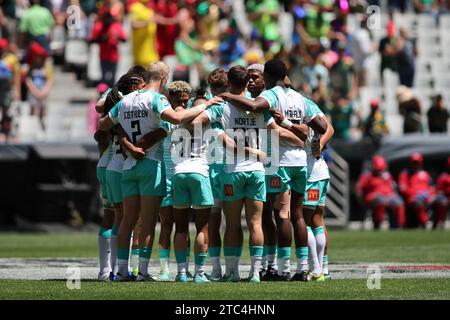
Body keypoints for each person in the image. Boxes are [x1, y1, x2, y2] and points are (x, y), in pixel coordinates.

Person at [100, 61, 222, 281]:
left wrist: (127, 142)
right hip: (151, 163)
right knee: (147, 223)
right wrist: (205, 105)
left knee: (127, 220)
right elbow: (176, 118)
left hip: (128, 166)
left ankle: (119, 272)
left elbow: (103, 124)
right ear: (164, 78)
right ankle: (143, 272)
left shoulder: (126, 100)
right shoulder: (157, 99)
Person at [191, 65, 305, 283]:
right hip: (256, 170)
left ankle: (232, 272)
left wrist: (217, 130)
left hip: (232, 170)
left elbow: (196, 122)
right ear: (246, 84)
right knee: (255, 223)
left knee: (232, 224)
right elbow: (276, 130)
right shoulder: (260, 108)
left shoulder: (222, 106)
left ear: (229, 83)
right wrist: (300, 140)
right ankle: (254, 273)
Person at [219, 59, 327, 282]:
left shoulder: (271, 95)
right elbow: (321, 127)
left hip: (280, 162)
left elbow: (253, 106)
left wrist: (226, 95)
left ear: (267, 75)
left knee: (281, 215)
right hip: (300, 163)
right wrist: (305, 135)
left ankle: (283, 268)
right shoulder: (300, 98)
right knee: (298, 215)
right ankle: (303, 268)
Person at [157, 81, 192, 282]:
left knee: (183, 225)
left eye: (186, 100)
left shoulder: (192, 116)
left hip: (184, 175)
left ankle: (183, 268)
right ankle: (163, 269)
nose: (183, 104)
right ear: (170, 98)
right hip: (166, 177)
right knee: (166, 224)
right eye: (179, 100)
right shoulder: (165, 120)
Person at [246, 63, 277, 281]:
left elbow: (276, 129)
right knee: (262, 216)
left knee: (273, 215)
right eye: (247, 77)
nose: (250, 81)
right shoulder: (247, 100)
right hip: (254, 163)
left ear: (264, 79)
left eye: (255, 77)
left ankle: (272, 264)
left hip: (271, 162)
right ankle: (265, 264)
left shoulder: (267, 99)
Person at [303, 109, 334, 281]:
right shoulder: (312, 109)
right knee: (318, 220)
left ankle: (316, 270)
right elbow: (330, 128)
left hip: (311, 173)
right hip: (321, 171)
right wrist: (321, 144)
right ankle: (324, 267)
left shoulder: (301, 110)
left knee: (304, 219)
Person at [356, 155, 406, 229]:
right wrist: (361, 201)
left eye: (381, 169)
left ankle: (399, 226)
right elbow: (359, 189)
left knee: (399, 202)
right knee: (381, 200)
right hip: (373, 196)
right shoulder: (367, 175)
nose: (380, 171)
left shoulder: (387, 175)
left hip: (388, 196)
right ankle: (378, 224)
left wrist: (393, 195)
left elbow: (393, 188)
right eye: (378, 169)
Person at [129, 0, 179, 67]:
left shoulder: (149, 8)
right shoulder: (136, 7)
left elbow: (157, 19)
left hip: (151, 50)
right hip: (140, 50)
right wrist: (147, 22)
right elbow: (133, 24)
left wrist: (173, 21)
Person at [398, 153, 439, 228]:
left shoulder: (425, 174)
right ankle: (424, 223)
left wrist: (431, 196)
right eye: (413, 163)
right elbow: (402, 188)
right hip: (412, 198)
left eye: (417, 163)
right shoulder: (405, 174)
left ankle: (437, 225)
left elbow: (432, 187)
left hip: (426, 197)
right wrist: (415, 194)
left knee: (440, 201)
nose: (415, 165)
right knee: (418, 203)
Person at [90, 10, 127, 87]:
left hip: (114, 57)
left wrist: (117, 37)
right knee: (104, 78)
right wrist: (102, 38)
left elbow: (124, 39)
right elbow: (92, 40)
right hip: (103, 56)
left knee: (112, 78)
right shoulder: (99, 26)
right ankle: (103, 95)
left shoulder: (116, 26)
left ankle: (111, 96)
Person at [25, 41, 53, 130]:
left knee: (43, 109)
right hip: (33, 91)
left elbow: (50, 80)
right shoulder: (31, 67)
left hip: (43, 91)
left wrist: (44, 92)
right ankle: (31, 127)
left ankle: (42, 127)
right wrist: (35, 92)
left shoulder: (46, 67)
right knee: (32, 109)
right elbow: (28, 80)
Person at [0, 37, 20, 141]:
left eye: (2, 48)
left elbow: (16, 76)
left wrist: (17, 90)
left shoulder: (12, 59)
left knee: (7, 111)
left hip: (7, 89)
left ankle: (6, 131)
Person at [435, 157, 450, 229]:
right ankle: (441, 222)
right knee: (442, 202)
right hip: (446, 196)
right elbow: (439, 191)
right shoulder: (443, 176)